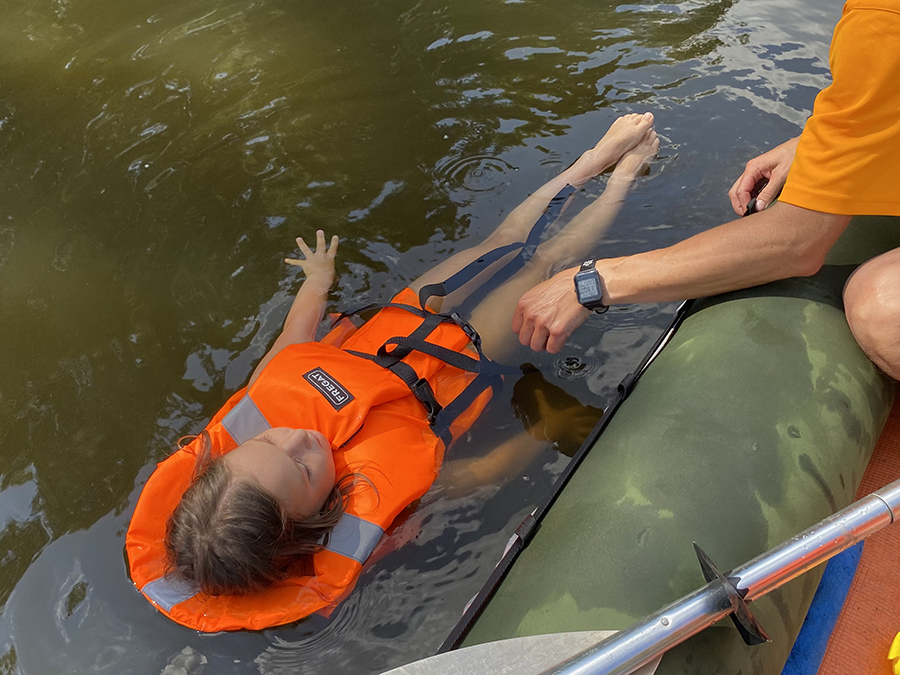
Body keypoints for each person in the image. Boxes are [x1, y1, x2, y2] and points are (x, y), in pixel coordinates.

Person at [125, 113, 660, 632]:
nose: (299, 437)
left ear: (230, 448)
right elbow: (481, 471)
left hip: (405, 318)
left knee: (500, 242)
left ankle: (590, 162)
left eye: (268, 441)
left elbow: (294, 341)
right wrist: (545, 430)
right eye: (305, 469)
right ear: (315, 525)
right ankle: (621, 181)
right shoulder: (375, 503)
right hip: (467, 354)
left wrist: (317, 281)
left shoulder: (270, 408)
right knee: (546, 262)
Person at [513, 0, 900, 382]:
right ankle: (598, 165)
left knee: (881, 308)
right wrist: (814, 143)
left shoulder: (880, 21)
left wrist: (594, 281)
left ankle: (611, 172)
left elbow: (796, 244)